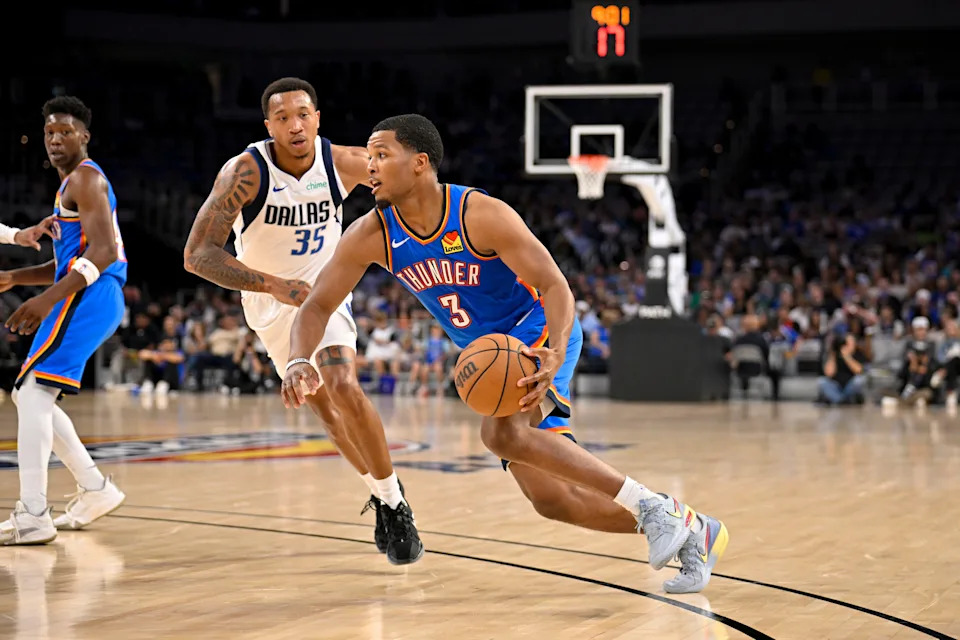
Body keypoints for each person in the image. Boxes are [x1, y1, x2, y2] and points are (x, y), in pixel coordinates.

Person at [282, 114, 728, 593]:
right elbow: (318, 306)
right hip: (492, 355)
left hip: (535, 332)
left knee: (500, 431)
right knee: (552, 501)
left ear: (420, 163)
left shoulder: (479, 214)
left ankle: (651, 507)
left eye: (381, 155)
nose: (369, 167)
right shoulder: (373, 233)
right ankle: (691, 529)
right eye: (368, 157)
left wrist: (554, 351)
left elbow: (555, 286)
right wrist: (298, 359)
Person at [183, 78, 422, 564]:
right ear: (268, 126)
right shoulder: (245, 172)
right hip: (269, 302)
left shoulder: (346, 163)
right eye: (283, 118)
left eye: (303, 114)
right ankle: (381, 495)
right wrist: (270, 284)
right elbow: (197, 255)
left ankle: (397, 506)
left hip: (323, 291)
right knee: (327, 415)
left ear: (317, 117)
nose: (295, 125)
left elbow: (411, 184)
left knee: (341, 382)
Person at [0, 96, 127, 544]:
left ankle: (33, 513)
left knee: (32, 392)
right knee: (31, 396)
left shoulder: (86, 178)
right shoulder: (71, 185)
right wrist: (16, 277)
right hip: (89, 292)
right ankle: (95, 489)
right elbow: (66, 261)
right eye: (50, 132)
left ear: (84, 137)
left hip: (91, 294)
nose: (55, 139)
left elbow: (106, 252)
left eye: (65, 132)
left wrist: (44, 301)